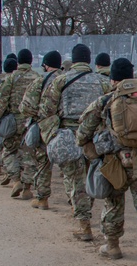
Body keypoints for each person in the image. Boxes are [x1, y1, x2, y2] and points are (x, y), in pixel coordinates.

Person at [77, 58, 137, 266]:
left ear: (113, 79)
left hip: (115, 162)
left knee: (113, 203)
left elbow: (82, 134)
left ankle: (113, 245)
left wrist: (95, 157)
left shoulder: (105, 101)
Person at [39, 43, 110, 240]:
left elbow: (46, 111)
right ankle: (85, 210)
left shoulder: (60, 81)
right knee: (90, 175)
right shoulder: (103, 82)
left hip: (68, 136)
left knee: (74, 179)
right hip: (94, 137)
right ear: (89, 60)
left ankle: (84, 223)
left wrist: (52, 136)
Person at [0, 49, 38, 199]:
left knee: (9, 151)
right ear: (31, 61)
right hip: (31, 122)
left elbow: (1, 102)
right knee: (30, 154)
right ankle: (27, 188)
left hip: (12, 122)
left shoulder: (11, 79)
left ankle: (16, 180)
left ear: (18, 62)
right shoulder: (38, 78)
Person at [20, 51, 63, 210]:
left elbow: (25, 107)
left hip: (46, 128)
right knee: (71, 169)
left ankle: (42, 198)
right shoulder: (67, 79)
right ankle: (75, 204)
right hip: (68, 130)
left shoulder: (41, 81)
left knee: (43, 163)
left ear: (46, 65)